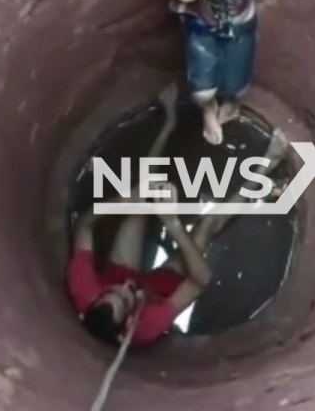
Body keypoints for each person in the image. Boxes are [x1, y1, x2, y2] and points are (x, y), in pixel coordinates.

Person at [66, 87, 291, 347]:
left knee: (137, 205)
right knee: (207, 225)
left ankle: (169, 121)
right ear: (124, 329)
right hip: (154, 296)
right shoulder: (146, 326)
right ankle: (269, 161)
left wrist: (128, 199)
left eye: (112, 292)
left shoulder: (86, 292)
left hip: (119, 271)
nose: (125, 287)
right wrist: (171, 223)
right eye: (124, 299)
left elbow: (84, 225)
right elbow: (200, 281)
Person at [169, 0, 257, 146]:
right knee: (202, 91)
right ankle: (209, 108)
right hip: (203, 27)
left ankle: (231, 101)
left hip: (240, 24)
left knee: (236, 83)